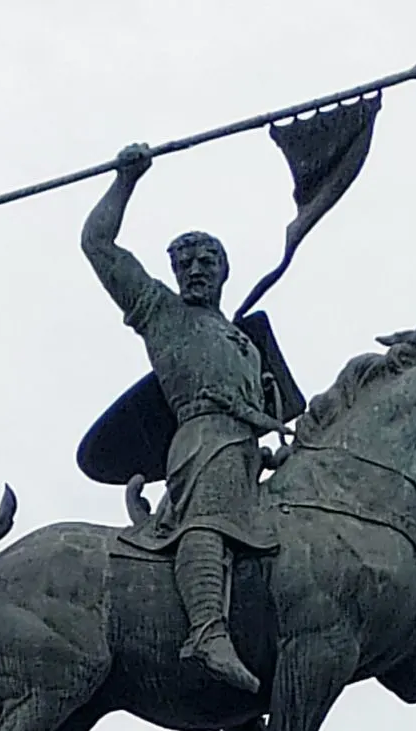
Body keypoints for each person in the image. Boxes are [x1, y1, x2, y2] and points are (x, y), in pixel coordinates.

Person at [80, 142, 283, 694]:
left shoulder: (242, 341)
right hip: (202, 440)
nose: (195, 271)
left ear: (224, 271)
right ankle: (206, 634)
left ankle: (253, 688)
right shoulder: (161, 313)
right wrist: (126, 181)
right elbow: (96, 244)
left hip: (247, 452)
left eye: (206, 262)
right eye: (184, 264)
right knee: (210, 521)